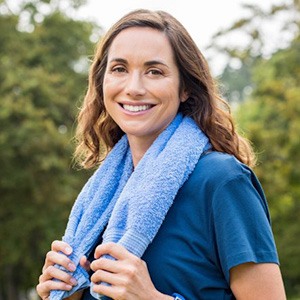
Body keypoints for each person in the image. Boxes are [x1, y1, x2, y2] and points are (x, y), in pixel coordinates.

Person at [36, 9, 286, 300]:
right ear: (102, 81)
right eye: (119, 69)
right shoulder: (102, 196)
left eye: (154, 71)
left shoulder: (222, 181)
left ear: (185, 89)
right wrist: (67, 293)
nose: (134, 88)